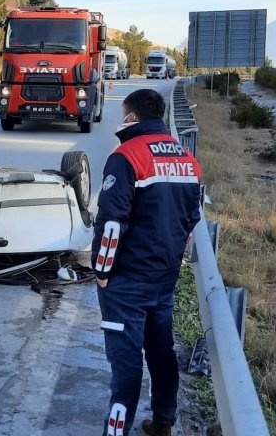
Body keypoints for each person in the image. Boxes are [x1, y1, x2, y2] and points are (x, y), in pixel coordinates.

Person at [92, 89, 202, 436]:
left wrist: (102, 271)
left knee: (125, 367)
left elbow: (111, 222)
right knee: (161, 352)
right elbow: (192, 218)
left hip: (126, 281)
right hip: (164, 278)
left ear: (131, 118)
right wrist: (172, 260)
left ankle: (116, 431)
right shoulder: (188, 159)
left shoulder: (127, 156)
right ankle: (163, 423)